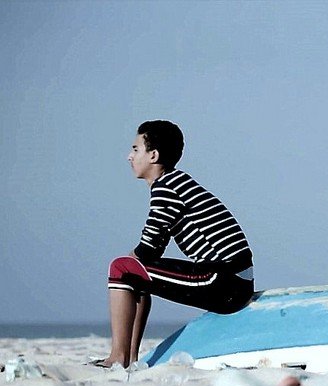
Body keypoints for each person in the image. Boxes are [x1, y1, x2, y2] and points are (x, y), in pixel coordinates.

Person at [98, 120, 254, 368]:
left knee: (121, 268)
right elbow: (151, 252)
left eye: (135, 149)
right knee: (133, 271)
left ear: (154, 155)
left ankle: (118, 358)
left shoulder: (167, 187)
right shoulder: (176, 183)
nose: (129, 156)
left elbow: (147, 250)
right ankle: (127, 358)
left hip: (223, 281)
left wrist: (131, 262)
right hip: (233, 280)